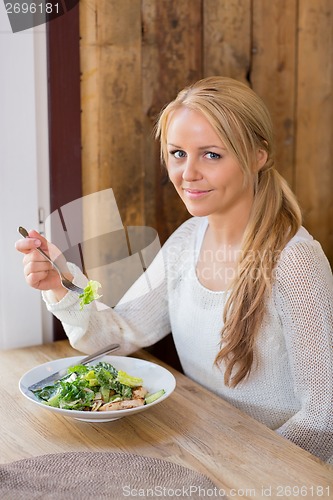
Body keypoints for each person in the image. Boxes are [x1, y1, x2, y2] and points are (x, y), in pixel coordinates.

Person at [16, 77, 333, 464]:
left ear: (258, 156)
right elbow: (117, 335)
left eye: (212, 154)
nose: (188, 173)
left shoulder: (296, 263)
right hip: (203, 448)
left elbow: (324, 417)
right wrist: (61, 284)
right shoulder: (187, 240)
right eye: (178, 153)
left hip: (279, 473)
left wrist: (245, 471)